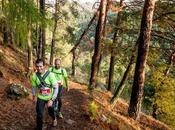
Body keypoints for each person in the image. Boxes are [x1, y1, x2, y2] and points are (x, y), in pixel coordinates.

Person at [31, 59, 59, 130]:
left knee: (51, 111)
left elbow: (56, 88)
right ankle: (39, 127)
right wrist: (34, 96)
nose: (39, 68)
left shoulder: (50, 75)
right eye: (37, 66)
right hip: (40, 97)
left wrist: (52, 100)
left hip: (50, 97)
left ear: (44, 66)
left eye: (40, 66)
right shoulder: (34, 76)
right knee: (39, 114)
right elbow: (34, 87)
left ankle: (54, 119)